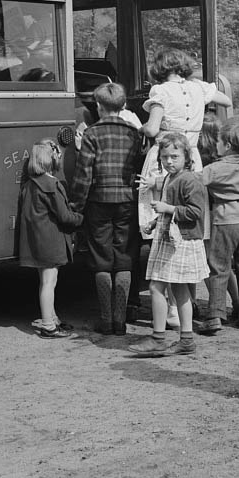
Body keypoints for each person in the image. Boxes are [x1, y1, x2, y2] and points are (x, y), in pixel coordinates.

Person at [137, 48, 232, 327]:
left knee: (164, 230)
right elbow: (225, 98)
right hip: (191, 155)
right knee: (189, 231)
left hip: (165, 156)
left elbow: (153, 130)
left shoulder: (160, 92)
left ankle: (171, 310)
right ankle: (186, 303)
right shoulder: (198, 87)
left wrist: (138, 126)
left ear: (160, 67)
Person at [70, 82, 144, 336]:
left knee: (101, 258)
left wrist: (76, 207)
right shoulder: (134, 132)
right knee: (124, 257)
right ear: (123, 106)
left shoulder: (91, 134)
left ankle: (105, 319)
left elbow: (83, 175)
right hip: (126, 200)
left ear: (99, 107)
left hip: (99, 201)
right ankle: (121, 321)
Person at [129, 132, 209, 357]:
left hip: (181, 241)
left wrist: (168, 209)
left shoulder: (189, 180)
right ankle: (186, 339)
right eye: (165, 157)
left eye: (175, 156)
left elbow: (196, 212)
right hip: (170, 238)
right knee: (180, 290)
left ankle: (158, 338)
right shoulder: (169, 179)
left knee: (156, 287)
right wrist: (155, 223)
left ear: (187, 156)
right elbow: (170, 209)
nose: (169, 161)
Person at [17, 138, 84, 339]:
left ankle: (53, 318)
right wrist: (80, 217)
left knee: (44, 281)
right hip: (51, 240)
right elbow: (64, 216)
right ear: (52, 160)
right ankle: (48, 325)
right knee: (49, 282)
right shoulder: (52, 184)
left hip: (36, 240)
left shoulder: (30, 184)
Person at [197, 121, 239, 333]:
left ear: (227, 145)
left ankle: (215, 315)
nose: (216, 145)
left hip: (226, 220)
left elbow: (191, 182)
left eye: (218, 142)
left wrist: (157, 182)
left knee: (219, 268)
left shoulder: (215, 169)